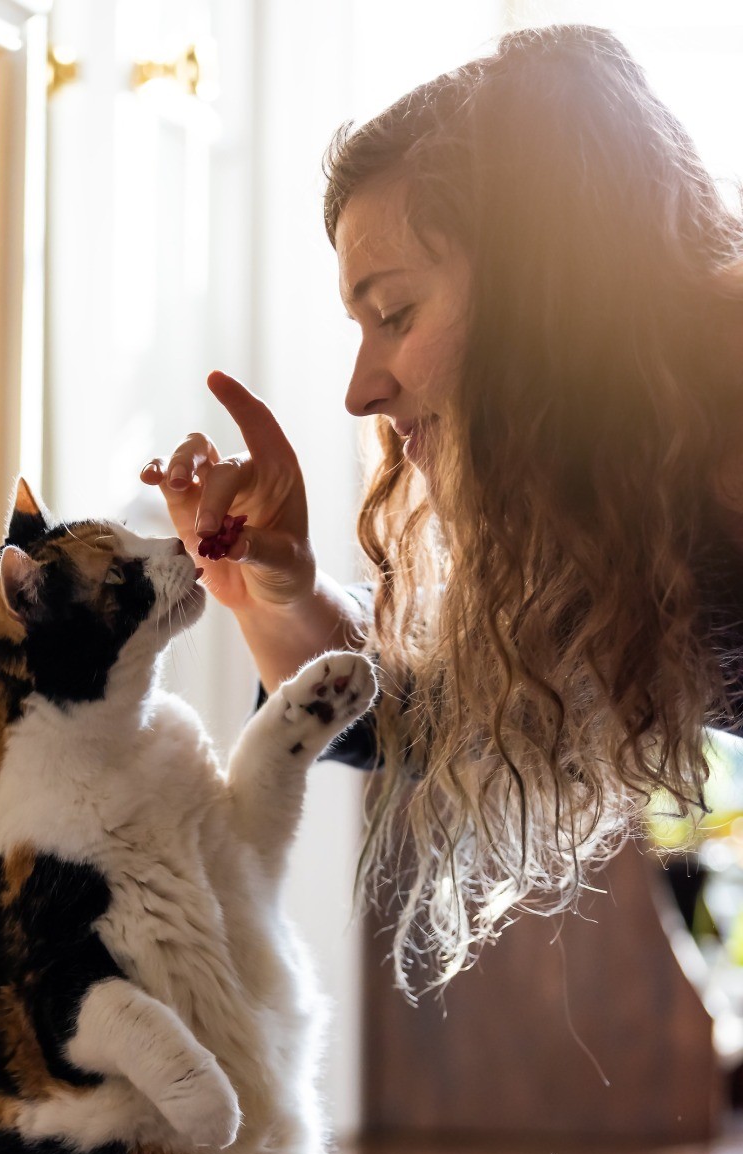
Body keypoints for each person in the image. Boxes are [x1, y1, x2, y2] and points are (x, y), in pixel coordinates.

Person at [140, 24, 743, 986]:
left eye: (396, 314)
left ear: (542, 286)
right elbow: (419, 721)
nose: (361, 390)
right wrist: (277, 586)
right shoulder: (626, 484)